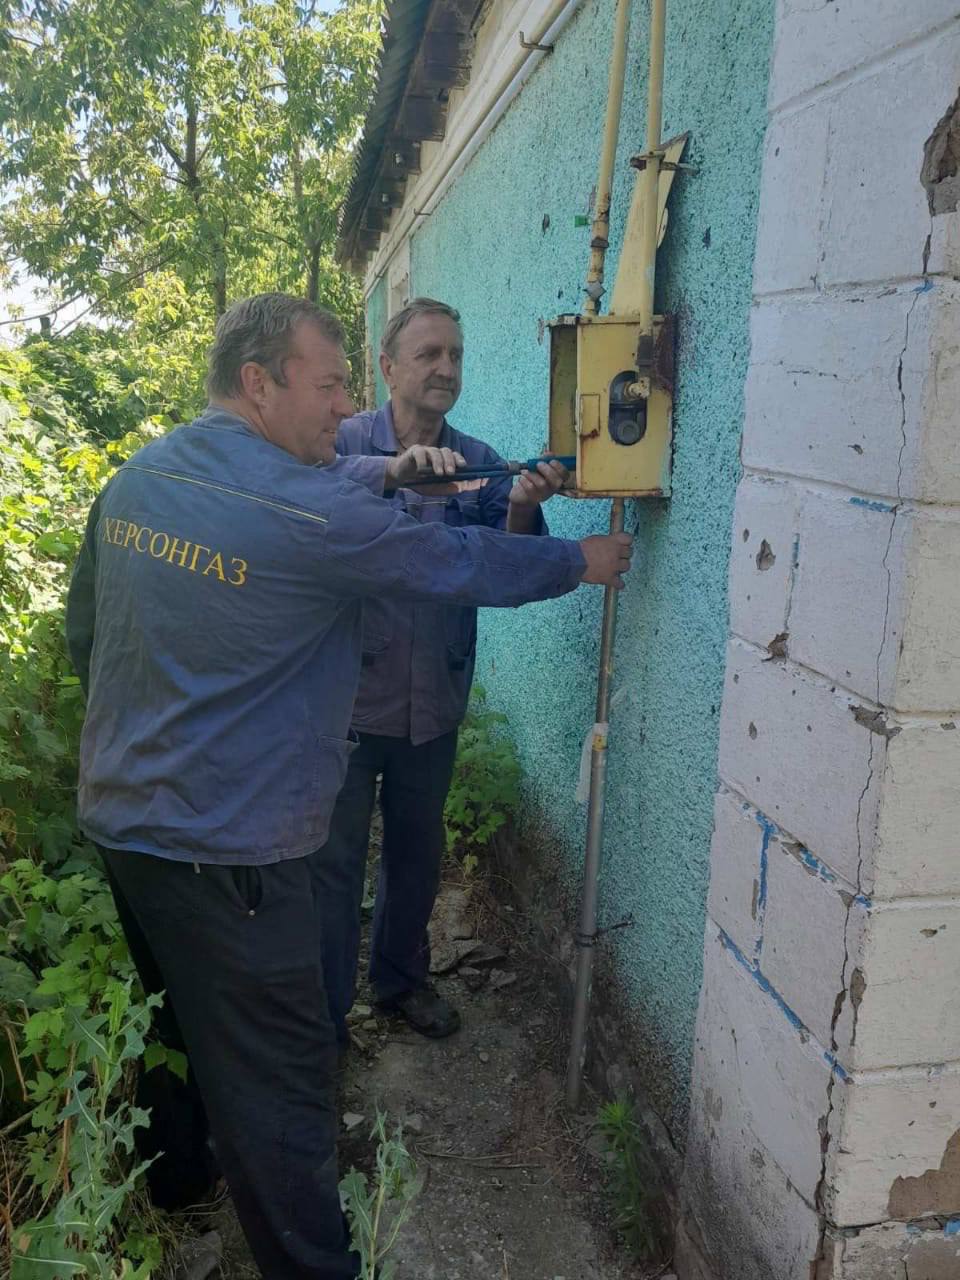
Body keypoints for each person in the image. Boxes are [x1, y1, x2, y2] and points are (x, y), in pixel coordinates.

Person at [65, 292, 633, 1280]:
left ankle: (180, 1183)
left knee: (178, 1015)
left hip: (126, 823)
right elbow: (444, 556)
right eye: (329, 384)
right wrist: (575, 560)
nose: (343, 406)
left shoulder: (140, 479)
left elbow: (85, 633)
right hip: (234, 851)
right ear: (259, 382)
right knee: (284, 1085)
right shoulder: (304, 507)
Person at [313, 298, 570, 1043]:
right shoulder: (342, 442)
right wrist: (392, 473)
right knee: (333, 869)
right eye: (428, 354)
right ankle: (327, 1016)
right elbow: (312, 502)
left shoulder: (480, 460)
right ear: (387, 367)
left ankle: (399, 983)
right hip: (350, 704)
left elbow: (505, 566)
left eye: (455, 354)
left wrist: (520, 506)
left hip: (435, 700)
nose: (445, 369)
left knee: (417, 854)